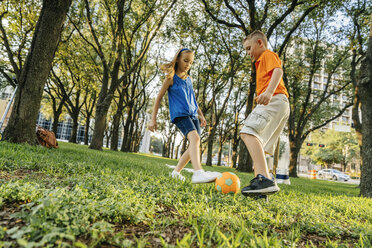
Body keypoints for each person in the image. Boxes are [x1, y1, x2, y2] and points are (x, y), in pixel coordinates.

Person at [148, 48, 218, 184]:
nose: (188, 65)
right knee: (195, 139)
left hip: (193, 115)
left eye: (191, 63)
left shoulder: (189, 79)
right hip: (181, 115)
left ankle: (176, 172)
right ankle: (198, 172)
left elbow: (193, 99)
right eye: (185, 61)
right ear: (178, 59)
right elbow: (158, 98)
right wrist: (153, 119)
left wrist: (201, 115)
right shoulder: (170, 78)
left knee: (195, 143)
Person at [240, 30, 290, 195]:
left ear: (259, 43)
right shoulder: (259, 62)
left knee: (248, 132)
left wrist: (268, 92)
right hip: (281, 104)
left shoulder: (267, 55)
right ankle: (262, 189)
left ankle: (263, 180)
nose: (248, 53)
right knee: (261, 147)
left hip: (275, 98)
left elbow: (278, 71)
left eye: (248, 48)